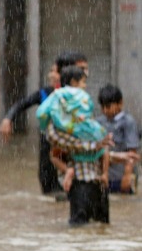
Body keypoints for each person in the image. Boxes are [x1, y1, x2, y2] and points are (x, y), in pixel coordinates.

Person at [0, 51, 88, 197]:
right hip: (48, 156)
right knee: (52, 195)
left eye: (54, 71)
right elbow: (22, 104)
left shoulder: (79, 99)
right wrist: (8, 118)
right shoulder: (45, 94)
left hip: (68, 158)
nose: (50, 75)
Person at [37, 65, 108, 194]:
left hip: (56, 132)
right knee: (102, 146)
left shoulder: (56, 93)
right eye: (83, 82)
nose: (85, 85)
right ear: (74, 82)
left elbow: (41, 112)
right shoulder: (81, 95)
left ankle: (66, 171)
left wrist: (44, 126)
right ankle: (102, 174)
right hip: (77, 131)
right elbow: (88, 111)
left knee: (54, 156)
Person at [96, 84, 140, 194]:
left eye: (108, 106)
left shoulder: (128, 122)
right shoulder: (99, 121)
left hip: (120, 176)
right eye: (103, 107)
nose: (105, 110)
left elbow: (132, 151)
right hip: (104, 175)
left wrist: (127, 175)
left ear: (120, 103)